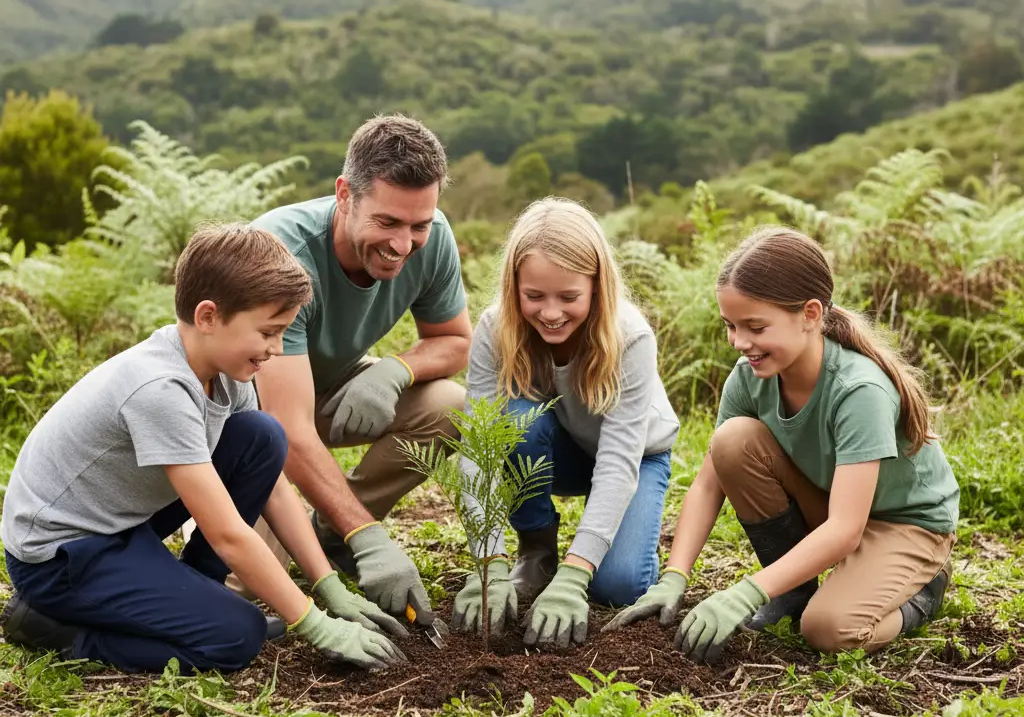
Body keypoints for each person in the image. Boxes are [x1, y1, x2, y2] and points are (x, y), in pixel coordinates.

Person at [0, 224, 407, 674]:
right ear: (209, 316)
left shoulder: (226, 367)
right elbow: (228, 534)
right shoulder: (161, 390)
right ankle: (55, 628)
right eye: (269, 332)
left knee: (262, 435)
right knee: (236, 637)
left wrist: (327, 586)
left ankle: (196, 594)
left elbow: (271, 486)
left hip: (122, 522)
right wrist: (316, 624)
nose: (276, 348)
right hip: (62, 556)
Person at [605, 227, 959, 664]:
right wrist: (674, 576)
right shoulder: (749, 378)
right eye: (731, 326)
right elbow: (708, 483)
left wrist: (747, 591)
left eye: (755, 326)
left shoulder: (858, 390)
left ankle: (922, 595)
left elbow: (847, 530)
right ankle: (793, 589)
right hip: (833, 504)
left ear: (811, 314)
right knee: (731, 441)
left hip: (904, 523)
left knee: (828, 628)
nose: (739, 342)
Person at [246, 114, 471, 629]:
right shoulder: (281, 256)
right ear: (345, 194)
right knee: (249, 585)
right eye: (387, 223)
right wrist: (372, 537)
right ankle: (343, 533)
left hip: (328, 392)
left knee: (448, 407)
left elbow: (455, 340)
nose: (403, 244)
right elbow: (286, 428)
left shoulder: (431, 240)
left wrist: (393, 370)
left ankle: (333, 531)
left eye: (419, 224)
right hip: (248, 423)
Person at [449, 198, 680, 647]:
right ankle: (536, 549)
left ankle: (602, 551)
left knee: (617, 587)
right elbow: (478, 451)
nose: (550, 313)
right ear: (514, 285)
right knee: (512, 423)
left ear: (597, 287)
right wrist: (488, 562)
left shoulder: (629, 337)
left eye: (569, 297)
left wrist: (578, 576)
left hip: (633, 458)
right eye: (534, 296)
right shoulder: (495, 330)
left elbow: (617, 462)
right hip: (556, 448)